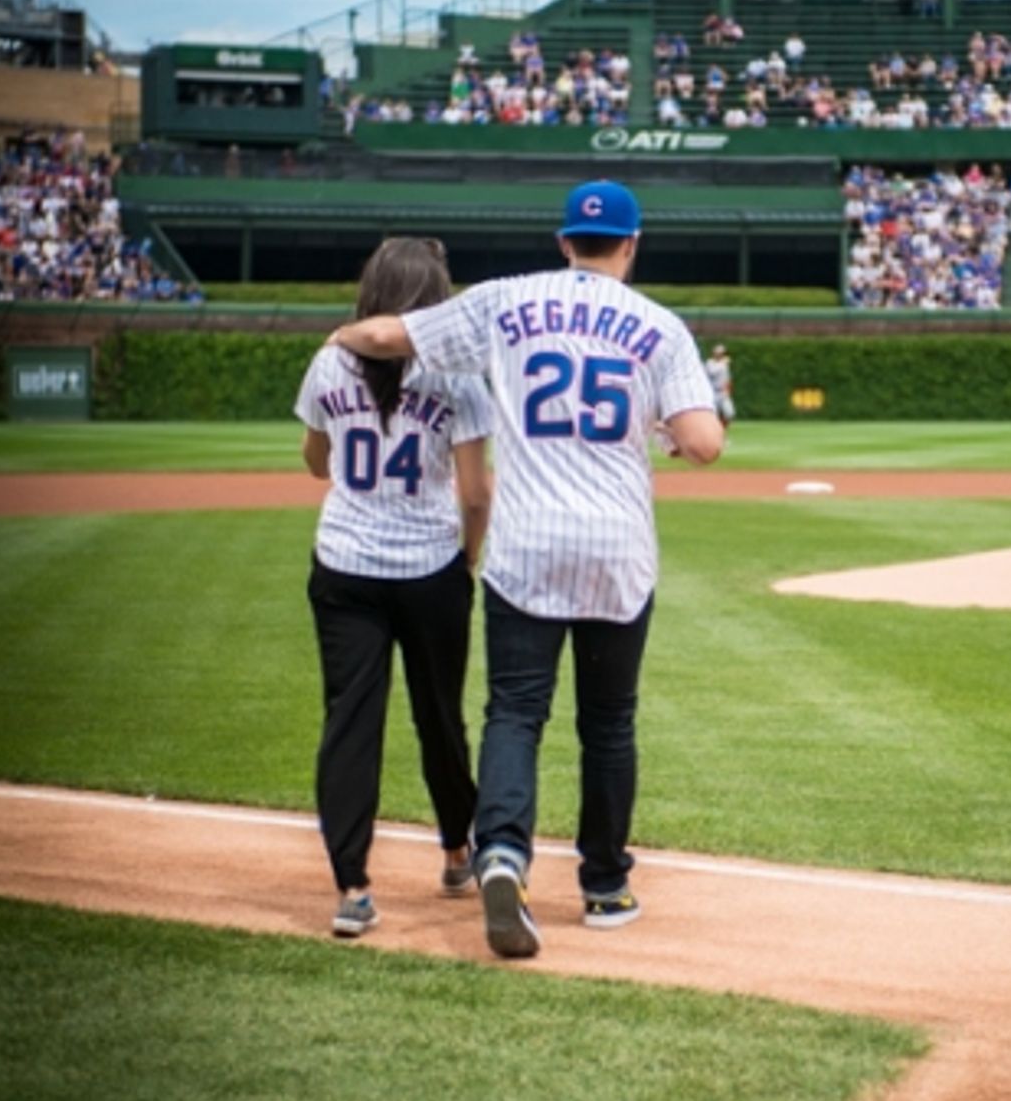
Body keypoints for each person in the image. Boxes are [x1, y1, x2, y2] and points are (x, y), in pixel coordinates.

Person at [328, 181, 723, 960]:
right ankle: (605, 885)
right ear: (632, 245)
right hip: (616, 550)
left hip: (526, 544)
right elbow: (703, 440)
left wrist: (342, 335)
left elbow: (388, 334)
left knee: (515, 711)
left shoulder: (505, 300)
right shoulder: (659, 326)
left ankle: (502, 852)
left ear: (562, 239)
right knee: (609, 723)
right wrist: (672, 429)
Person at [296, 236, 493, 939]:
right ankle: (455, 852)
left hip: (345, 563)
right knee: (440, 715)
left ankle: (352, 886)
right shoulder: (458, 376)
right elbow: (475, 494)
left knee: (350, 719)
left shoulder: (329, 359)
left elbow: (317, 463)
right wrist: (465, 562)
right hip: (430, 567)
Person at [704, 342, 735, 426]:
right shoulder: (709, 363)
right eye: (719, 353)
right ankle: (716, 429)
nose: (721, 355)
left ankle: (722, 428)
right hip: (713, 392)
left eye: (722, 353)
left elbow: (727, 378)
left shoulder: (724, 364)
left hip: (723, 391)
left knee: (729, 412)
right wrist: (722, 364)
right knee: (713, 413)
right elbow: (712, 373)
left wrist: (729, 389)